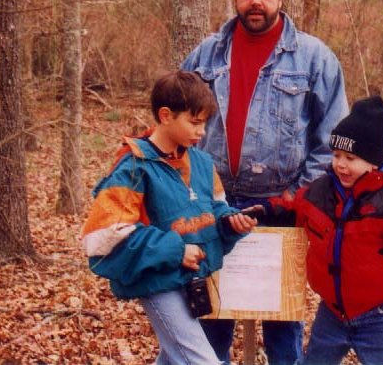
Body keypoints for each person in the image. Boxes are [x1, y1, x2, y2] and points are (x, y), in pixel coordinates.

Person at [181, 0, 349, 363]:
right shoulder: (205, 56)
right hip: (213, 203)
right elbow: (177, 122)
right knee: (211, 316)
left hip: (283, 207)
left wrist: (295, 197)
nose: (255, 1)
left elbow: (332, 138)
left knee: (283, 322)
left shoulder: (313, 58)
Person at [264, 96, 383, 364]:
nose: (341, 164)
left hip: (382, 319)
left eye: (351, 158)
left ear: (374, 162)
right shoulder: (318, 193)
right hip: (332, 315)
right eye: (336, 155)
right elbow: (291, 210)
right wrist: (261, 212)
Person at [81, 71, 259, 365]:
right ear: (166, 115)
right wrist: (177, 250)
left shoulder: (201, 162)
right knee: (200, 360)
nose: (202, 132)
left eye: (204, 123)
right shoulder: (134, 167)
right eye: (194, 122)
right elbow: (104, 236)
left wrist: (230, 221)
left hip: (193, 279)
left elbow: (214, 208)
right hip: (158, 281)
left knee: (172, 357)